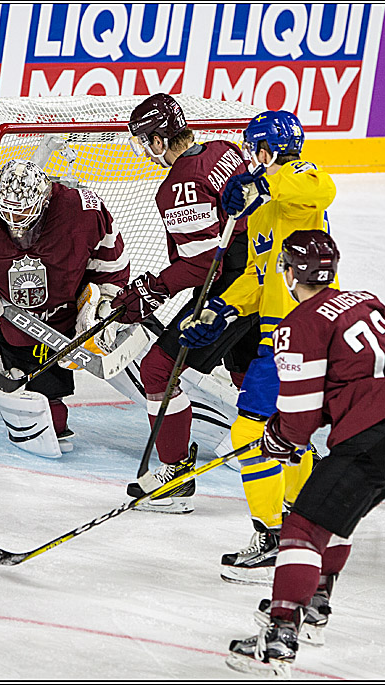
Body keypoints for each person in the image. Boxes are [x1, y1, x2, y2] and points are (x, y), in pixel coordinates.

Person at [225, 231, 385, 678]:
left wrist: (278, 440)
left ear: (288, 272)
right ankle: (315, 606)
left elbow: (299, 420)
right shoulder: (366, 300)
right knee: (337, 515)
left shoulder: (298, 324)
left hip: (375, 434)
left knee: (303, 523)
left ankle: (280, 637)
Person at [178, 110, 337, 584]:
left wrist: (266, 184)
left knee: (250, 434)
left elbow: (320, 187)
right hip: (281, 330)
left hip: (300, 333)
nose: (251, 159)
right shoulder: (264, 206)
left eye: (255, 151)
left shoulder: (297, 179)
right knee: (290, 439)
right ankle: (302, 525)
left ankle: (271, 538)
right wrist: (220, 310)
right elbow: (258, 275)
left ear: (268, 151)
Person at [109, 93, 260, 514]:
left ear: (159, 139)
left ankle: (173, 474)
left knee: (157, 368)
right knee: (244, 365)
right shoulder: (224, 150)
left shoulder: (179, 185)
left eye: (145, 141)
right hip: (266, 282)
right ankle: (283, 450)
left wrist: (152, 289)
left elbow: (199, 266)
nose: (145, 151)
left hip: (230, 293)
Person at [0, 158, 129, 457]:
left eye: (22, 212)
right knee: (49, 410)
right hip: (14, 317)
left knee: (58, 402)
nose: (14, 221)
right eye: (6, 211)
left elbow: (112, 261)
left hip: (67, 311)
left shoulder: (83, 208)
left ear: (45, 198)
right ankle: (22, 386)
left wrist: (104, 300)